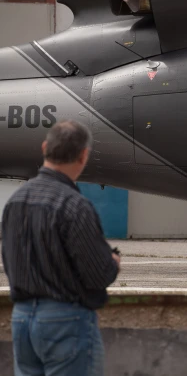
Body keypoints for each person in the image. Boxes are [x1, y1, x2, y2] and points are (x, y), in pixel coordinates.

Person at [2, 120, 120, 376]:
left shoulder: (15, 202)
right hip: (66, 320)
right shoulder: (75, 205)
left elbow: (10, 261)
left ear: (45, 147)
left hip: (21, 318)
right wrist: (113, 263)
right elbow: (99, 274)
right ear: (84, 155)